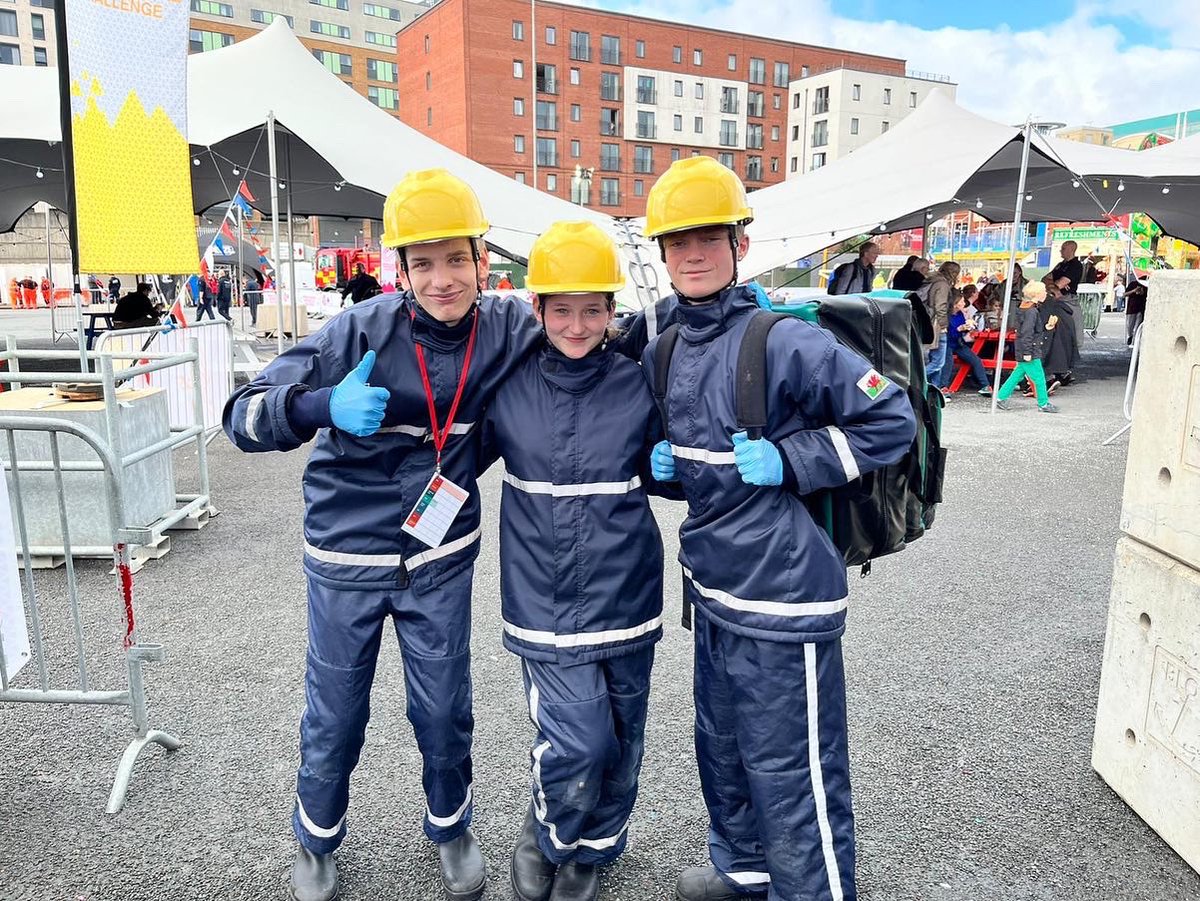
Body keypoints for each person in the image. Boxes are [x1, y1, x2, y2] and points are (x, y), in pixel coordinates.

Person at [223, 169, 542, 901]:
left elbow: (585, 336)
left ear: (481, 259)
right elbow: (240, 414)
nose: (441, 279)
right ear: (399, 270)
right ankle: (316, 836)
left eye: (455, 259)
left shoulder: (509, 327)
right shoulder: (354, 331)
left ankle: (451, 824)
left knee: (444, 706)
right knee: (336, 708)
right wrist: (317, 406)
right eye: (422, 263)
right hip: (347, 554)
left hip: (440, 552)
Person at [639, 157, 917, 901]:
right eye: (677, 241)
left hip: (786, 603)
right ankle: (745, 872)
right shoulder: (664, 348)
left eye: (709, 237)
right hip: (715, 592)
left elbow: (892, 418)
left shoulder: (782, 341)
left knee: (792, 771)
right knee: (723, 751)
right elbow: (694, 473)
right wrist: (661, 468)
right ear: (662, 253)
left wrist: (792, 458)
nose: (693, 253)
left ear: (739, 246)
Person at [479, 221, 677, 901]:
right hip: (543, 598)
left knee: (623, 739)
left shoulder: (636, 381)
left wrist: (669, 469)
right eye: (560, 308)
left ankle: (596, 848)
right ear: (536, 309)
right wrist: (404, 526)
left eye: (592, 308)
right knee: (578, 742)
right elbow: (448, 461)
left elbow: (667, 476)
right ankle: (545, 835)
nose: (577, 322)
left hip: (627, 590)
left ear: (611, 311)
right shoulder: (506, 388)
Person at [995, 281, 1059, 413]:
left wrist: (1046, 328)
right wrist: (1027, 352)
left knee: (1017, 375)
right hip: (1030, 349)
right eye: (1043, 291)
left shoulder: (1025, 308)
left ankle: (1001, 397)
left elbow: (1026, 331)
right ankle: (1043, 403)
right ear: (1037, 294)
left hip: (1024, 348)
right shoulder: (1032, 311)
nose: (1046, 293)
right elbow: (1027, 333)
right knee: (1039, 378)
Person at [940, 292, 992, 395]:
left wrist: (967, 328)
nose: (964, 303)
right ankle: (943, 386)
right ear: (955, 304)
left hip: (959, 343)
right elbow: (949, 333)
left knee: (976, 360)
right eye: (962, 301)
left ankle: (985, 385)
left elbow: (962, 330)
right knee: (948, 363)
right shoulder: (947, 316)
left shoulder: (960, 314)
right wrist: (959, 329)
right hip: (948, 343)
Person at [920, 261, 958, 388]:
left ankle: (934, 388)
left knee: (934, 359)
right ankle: (917, 378)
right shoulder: (943, 285)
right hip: (937, 325)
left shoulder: (932, 281)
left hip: (929, 322)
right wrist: (943, 325)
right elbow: (940, 306)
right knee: (938, 362)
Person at [1123, 276, 1148, 345]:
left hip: (1141, 309)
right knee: (1129, 326)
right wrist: (1134, 291)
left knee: (1138, 326)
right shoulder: (1132, 284)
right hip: (1131, 308)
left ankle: (1135, 341)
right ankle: (1130, 335)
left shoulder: (1146, 286)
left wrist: (1142, 292)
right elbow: (1124, 294)